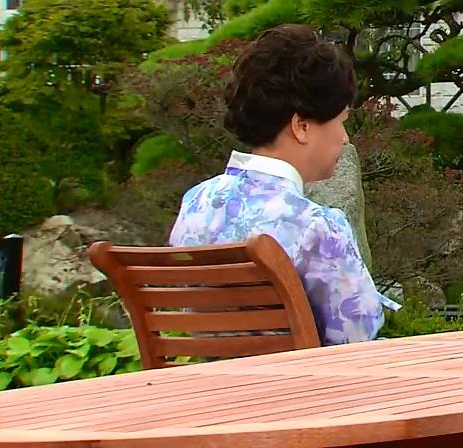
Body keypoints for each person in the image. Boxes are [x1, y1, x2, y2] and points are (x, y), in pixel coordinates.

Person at [170, 24, 397, 345]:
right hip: (300, 378)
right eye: (342, 121)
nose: (345, 138)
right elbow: (357, 339)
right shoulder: (318, 227)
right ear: (301, 126)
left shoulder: (195, 205)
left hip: (216, 376)